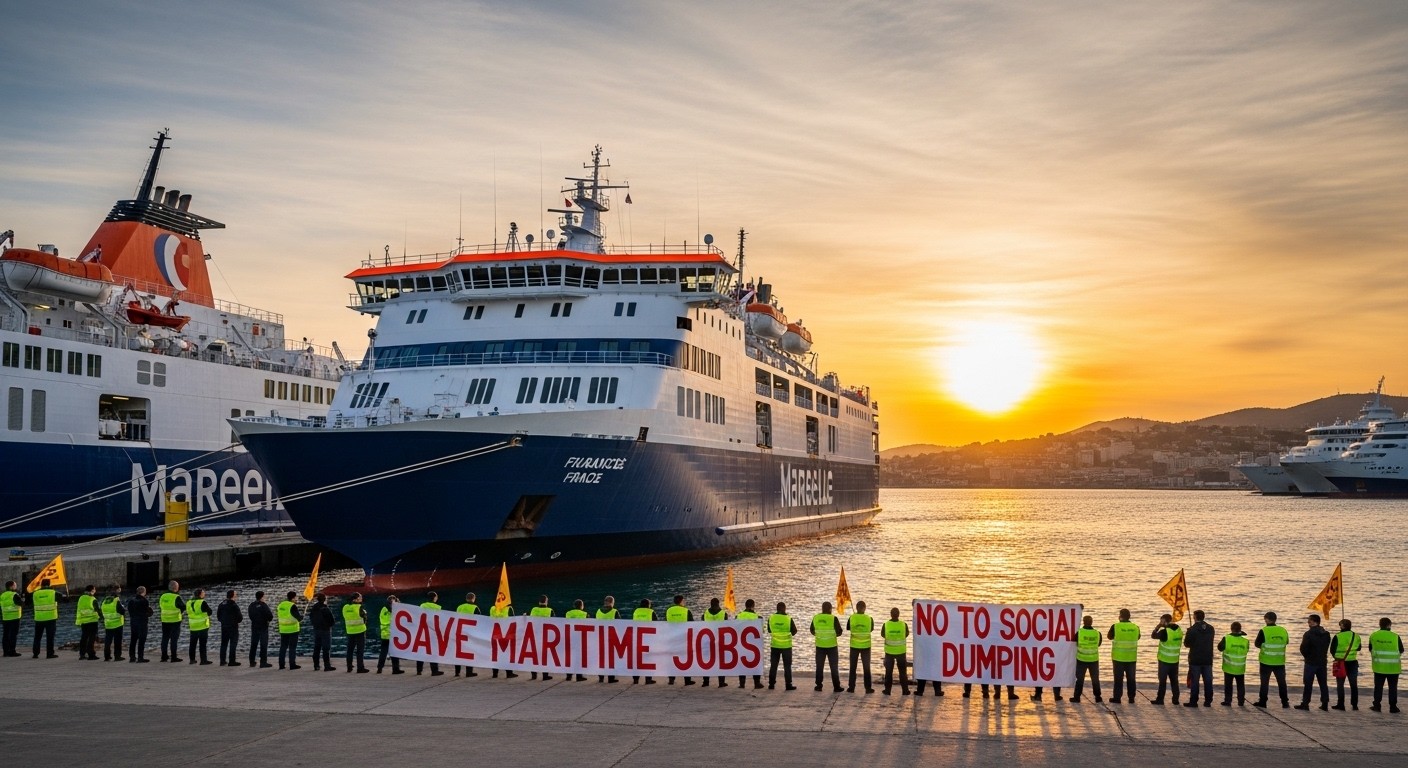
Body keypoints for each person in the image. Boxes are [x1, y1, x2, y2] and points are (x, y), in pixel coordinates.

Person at [1253, 611, 1290, 708]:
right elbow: (1286, 642)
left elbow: (1257, 644)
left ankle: (1263, 701)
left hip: (1266, 661)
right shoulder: (1283, 630)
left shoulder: (1264, 630)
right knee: (1282, 682)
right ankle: (1285, 702)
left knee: (1264, 682)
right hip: (1279, 661)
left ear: (1267, 619)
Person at [1296, 613, 1331, 710]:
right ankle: (1325, 703)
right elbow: (1327, 646)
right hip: (1322, 662)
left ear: (1314, 622)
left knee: (1308, 683)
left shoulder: (1308, 634)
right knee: (1323, 683)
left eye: (1309, 621)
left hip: (1310, 662)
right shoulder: (1326, 634)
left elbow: (1303, 648)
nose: (1308, 622)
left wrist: (1307, 656)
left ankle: (1305, 703)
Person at [1369, 617, 1402, 713]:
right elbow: (1401, 650)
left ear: (1380, 625)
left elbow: (1370, 648)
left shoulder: (1373, 636)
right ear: (1389, 625)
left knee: (1378, 687)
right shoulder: (1395, 636)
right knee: (1392, 688)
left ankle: (1377, 706)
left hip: (1379, 666)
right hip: (1393, 667)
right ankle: (1393, 707)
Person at [809, 601, 844, 693]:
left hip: (820, 645)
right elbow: (839, 632)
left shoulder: (816, 618)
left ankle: (818, 686)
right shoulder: (833, 618)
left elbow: (812, 630)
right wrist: (832, 635)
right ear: (830, 609)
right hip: (832, 646)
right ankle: (836, 687)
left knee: (819, 667)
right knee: (834, 667)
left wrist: (820, 635)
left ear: (822, 608)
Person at [1184, 609, 1215, 707]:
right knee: (1208, 681)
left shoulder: (1192, 630)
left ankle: (1194, 701)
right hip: (1207, 658)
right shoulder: (1211, 628)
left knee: (1195, 681)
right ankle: (1208, 701)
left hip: (1195, 658)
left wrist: (1189, 632)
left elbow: (1186, 644)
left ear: (1195, 617)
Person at [1108, 608, 1140, 704]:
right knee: (1131, 679)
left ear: (1120, 616)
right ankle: (1131, 698)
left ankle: (1117, 698)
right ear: (1129, 616)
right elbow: (1138, 637)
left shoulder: (1115, 626)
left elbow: (1109, 636)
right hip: (1131, 657)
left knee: (1118, 679)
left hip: (1118, 658)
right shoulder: (1135, 627)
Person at [1151, 612, 1182, 705]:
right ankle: (1175, 699)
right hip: (1175, 660)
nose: (1160, 622)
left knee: (1162, 681)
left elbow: (1153, 636)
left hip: (1165, 660)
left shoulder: (1165, 632)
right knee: (1174, 681)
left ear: (1164, 621)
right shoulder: (1178, 630)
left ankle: (1160, 699)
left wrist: (1158, 627)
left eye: (1161, 620)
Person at [844, 600, 874, 694]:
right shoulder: (869, 618)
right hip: (866, 646)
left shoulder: (852, 617)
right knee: (866, 668)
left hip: (854, 645)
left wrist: (855, 620)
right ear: (864, 608)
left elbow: (848, 628)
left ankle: (851, 688)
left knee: (853, 667)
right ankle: (868, 688)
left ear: (856, 608)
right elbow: (871, 629)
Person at [1071, 614, 1102, 703]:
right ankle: (1098, 697)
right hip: (1094, 659)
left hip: (1081, 659)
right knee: (1095, 679)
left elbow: (1074, 642)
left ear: (1083, 622)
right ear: (1091, 622)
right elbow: (1098, 644)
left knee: (1080, 679)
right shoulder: (1097, 633)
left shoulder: (1079, 633)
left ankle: (1077, 697)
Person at [1332, 618, 1361, 710]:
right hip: (1353, 662)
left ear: (1343, 626)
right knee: (1353, 684)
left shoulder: (1337, 636)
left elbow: (1332, 650)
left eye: (1340, 625)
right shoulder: (1356, 636)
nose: (1339, 626)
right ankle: (1355, 705)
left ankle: (1341, 704)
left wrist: (1337, 656)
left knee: (1340, 684)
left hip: (1340, 662)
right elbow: (1359, 648)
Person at [768, 602, 798, 691]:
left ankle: (771, 684)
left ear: (777, 609)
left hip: (775, 645)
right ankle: (788, 684)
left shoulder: (771, 618)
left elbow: (769, 630)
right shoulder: (788, 618)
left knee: (773, 665)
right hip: (786, 646)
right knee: (787, 666)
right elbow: (794, 631)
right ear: (784, 608)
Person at [1218, 620, 1249, 706]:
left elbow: (1219, 648)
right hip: (1240, 667)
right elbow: (1247, 650)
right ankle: (1241, 701)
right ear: (1240, 629)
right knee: (1240, 685)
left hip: (1229, 666)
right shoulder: (1245, 641)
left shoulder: (1227, 638)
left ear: (1231, 629)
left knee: (1228, 685)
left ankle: (1228, 701)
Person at [665, 595, 694, 685]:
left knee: (672, 658)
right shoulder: (686, 611)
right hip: (684, 638)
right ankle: (687, 680)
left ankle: (671, 679)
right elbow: (692, 624)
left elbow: (665, 622)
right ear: (681, 601)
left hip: (672, 637)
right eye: (683, 601)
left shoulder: (669, 611)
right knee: (686, 659)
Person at [881, 607, 910, 696]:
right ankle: (905, 690)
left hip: (889, 651)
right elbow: (907, 634)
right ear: (898, 615)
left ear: (891, 614)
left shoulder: (886, 625)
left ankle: (887, 690)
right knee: (902, 672)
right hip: (901, 651)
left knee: (888, 672)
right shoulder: (903, 624)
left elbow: (882, 634)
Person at [702, 598, 729, 687]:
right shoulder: (723, 614)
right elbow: (727, 627)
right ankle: (721, 682)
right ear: (718, 604)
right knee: (721, 662)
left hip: (707, 641)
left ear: (710, 604)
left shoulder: (705, 613)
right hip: (719, 641)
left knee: (706, 661)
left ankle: (706, 682)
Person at [489, 597, 516, 679]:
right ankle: (509, 673)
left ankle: (495, 673)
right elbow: (514, 619)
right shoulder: (508, 609)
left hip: (495, 633)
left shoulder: (492, 608)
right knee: (507, 653)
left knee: (495, 653)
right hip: (506, 634)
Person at [159, 580, 186, 663]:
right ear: (175, 588)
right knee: (174, 639)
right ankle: (173, 657)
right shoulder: (176, 597)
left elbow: (160, 605)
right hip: (175, 620)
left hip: (165, 620)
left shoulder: (163, 596)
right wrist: (180, 612)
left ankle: (164, 656)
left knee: (165, 638)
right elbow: (183, 606)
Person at [417, 592, 444, 676]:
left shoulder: (422, 606)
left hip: (423, 630)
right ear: (434, 598)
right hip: (433, 631)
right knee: (433, 651)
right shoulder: (438, 607)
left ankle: (419, 670)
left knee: (421, 650)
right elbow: (440, 620)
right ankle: (434, 670)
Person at [454, 593, 480, 678]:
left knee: (458, 652)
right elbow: (480, 620)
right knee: (468, 653)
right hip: (469, 633)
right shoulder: (475, 608)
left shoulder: (459, 607)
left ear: (466, 599)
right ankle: (469, 672)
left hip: (459, 631)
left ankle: (457, 672)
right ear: (473, 598)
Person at [31, 579, 58, 659]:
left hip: (39, 618)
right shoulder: (53, 593)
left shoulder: (35, 593)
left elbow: (29, 602)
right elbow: (64, 599)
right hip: (50, 618)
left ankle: (35, 654)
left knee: (37, 637)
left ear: (41, 584)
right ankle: (49, 654)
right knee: (50, 637)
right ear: (49, 584)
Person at [529, 595, 554, 681]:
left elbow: (528, 618)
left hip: (534, 635)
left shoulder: (533, 609)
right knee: (544, 657)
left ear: (539, 602)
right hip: (545, 637)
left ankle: (534, 675)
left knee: (534, 656)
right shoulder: (550, 611)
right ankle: (545, 675)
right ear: (546, 602)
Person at [343, 592, 370, 673]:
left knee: (350, 650)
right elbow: (365, 618)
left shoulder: (345, 607)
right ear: (355, 599)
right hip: (360, 631)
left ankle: (349, 667)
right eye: (360, 597)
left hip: (350, 631)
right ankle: (360, 668)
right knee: (360, 650)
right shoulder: (359, 607)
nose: (361, 599)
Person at [186, 588, 213, 665]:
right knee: (202, 644)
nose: (204, 594)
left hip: (193, 625)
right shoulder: (202, 602)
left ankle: (192, 659)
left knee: (192, 643)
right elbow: (210, 611)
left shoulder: (188, 602)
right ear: (200, 594)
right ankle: (203, 660)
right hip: (202, 626)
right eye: (203, 593)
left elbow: (188, 612)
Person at [277, 590, 303, 670]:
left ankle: (281, 665)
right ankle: (292, 665)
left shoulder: (280, 605)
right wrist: (301, 617)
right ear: (293, 598)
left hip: (283, 629)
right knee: (292, 648)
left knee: (283, 647)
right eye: (296, 597)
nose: (296, 599)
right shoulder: (292, 606)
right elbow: (298, 617)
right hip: (292, 630)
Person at [307, 593, 333, 671]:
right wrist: (328, 625)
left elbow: (311, 617)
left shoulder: (314, 608)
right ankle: (327, 666)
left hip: (316, 629)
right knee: (326, 648)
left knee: (317, 648)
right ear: (325, 599)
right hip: (325, 630)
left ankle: (316, 665)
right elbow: (332, 620)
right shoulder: (325, 608)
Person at [632, 599, 656, 685]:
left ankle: (635, 680)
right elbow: (657, 624)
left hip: (637, 638)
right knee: (648, 659)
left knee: (637, 659)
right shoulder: (651, 612)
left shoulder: (636, 611)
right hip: (648, 638)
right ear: (648, 605)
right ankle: (648, 679)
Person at [100, 584, 126, 661]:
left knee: (108, 641)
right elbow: (122, 611)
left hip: (108, 624)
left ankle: (107, 656)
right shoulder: (116, 601)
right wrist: (124, 608)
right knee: (117, 641)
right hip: (117, 624)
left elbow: (102, 612)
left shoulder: (104, 601)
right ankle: (117, 656)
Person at [564, 599, 589, 681]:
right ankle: (579, 676)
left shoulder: (568, 613)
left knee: (569, 657)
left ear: (574, 606)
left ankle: (568, 676)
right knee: (579, 657)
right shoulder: (585, 614)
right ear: (582, 606)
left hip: (569, 637)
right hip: (580, 639)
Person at [126, 586, 152, 662]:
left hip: (133, 622)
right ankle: (140, 657)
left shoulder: (131, 600)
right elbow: (147, 612)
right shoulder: (144, 601)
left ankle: (132, 657)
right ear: (144, 592)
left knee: (133, 640)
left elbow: (129, 611)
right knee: (141, 640)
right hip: (142, 622)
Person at [377, 595, 402, 674]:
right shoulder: (395, 610)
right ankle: (395, 669)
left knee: (383, 652)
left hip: (384, 634)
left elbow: (382, 620)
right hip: (393, 634)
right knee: (395, 652)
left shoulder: (383, 609)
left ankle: (379, 668)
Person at [217, 589, 242, 666]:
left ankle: (222, 661)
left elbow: (218, 616)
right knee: (233, 644)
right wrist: (237, 621)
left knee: (224, 644)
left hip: (224, 626)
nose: (236, 596)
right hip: (233, 627)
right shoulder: (234, 605)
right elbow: (240, 617)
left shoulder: (221, 604)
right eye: (235, 595)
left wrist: (223, 622)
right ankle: (232, 661)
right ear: (233, 596)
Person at [75, 584, 101, 660]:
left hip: (83, 621)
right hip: (92, 621)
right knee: (91, 638)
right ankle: (91, 654)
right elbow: (97, 610)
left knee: (84, 638)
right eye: (94, 589)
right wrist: (103, 618)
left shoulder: (81, 598)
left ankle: (82, 654)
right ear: (92, 590)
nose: (95, 591)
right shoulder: (93, 599)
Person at [597, 595, 619, 683]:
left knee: (601, 658)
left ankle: (601, 678)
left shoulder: (598, 611)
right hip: (611, 638)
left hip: (600, 637)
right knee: (611, 659)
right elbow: (621, 624)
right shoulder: (614, 611)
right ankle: (611, 678)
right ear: (612, 602)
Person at [248, 591, 273, 668]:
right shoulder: (263, 605)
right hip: (263, 627)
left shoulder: (251, 605)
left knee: (253, 644)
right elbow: (270, 615)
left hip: (254, 626)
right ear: (262, 597)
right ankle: (263, 662)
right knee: (263, 644)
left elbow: (250, 615)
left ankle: (252, 661)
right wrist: (267, 620)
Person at [1, 580, 23, 657]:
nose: (16, 586)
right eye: (15, 585)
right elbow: (21, 603)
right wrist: (23, 599)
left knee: (5, 635)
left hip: (5, 618)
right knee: (13, 635)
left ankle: (5, 652)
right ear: (11, 586)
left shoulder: (2, 595)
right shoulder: (14, 595)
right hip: (15, 617)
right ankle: (12, 651)